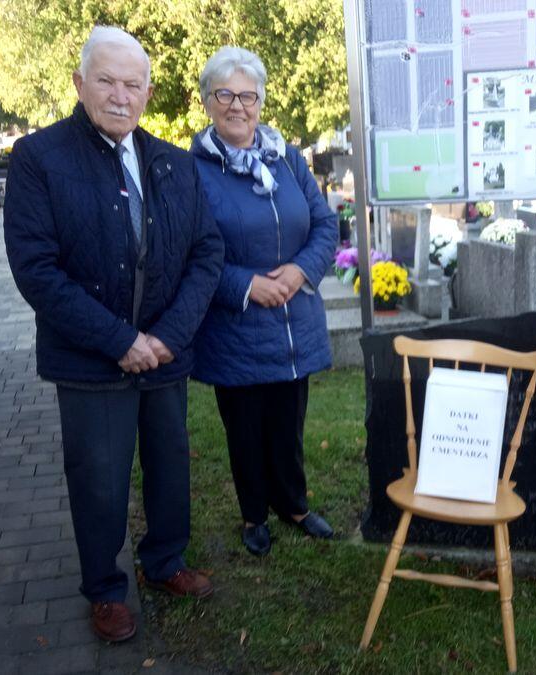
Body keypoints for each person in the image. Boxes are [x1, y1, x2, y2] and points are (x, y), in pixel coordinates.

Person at [4, 26, 224, 642]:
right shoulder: (38, 158)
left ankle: (165, 562)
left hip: (164, 355)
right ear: (80, 84)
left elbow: (206, 252)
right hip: (90, 361)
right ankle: (104, 589)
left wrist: (168, 337)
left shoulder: (175, 163)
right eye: (106, 81)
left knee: (169, 465)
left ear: (148, 93)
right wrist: (119, 341)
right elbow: (37, 269)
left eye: (132, 84)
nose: (120, 95)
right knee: (98, 480)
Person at [189, 46, 337, 557]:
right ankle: (254, 514)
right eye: (225, 94)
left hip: (293, 319)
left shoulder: (287, 158)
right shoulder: (193, 170)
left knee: (288, 423)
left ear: (260, 102)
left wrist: (299, 271)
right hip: (237, 325)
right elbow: (190, 251)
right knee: (246, 429)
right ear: (208, 101)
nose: (237, 106)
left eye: (247, 96)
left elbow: (325, 225)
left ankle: (293, 504)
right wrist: (246, 286)